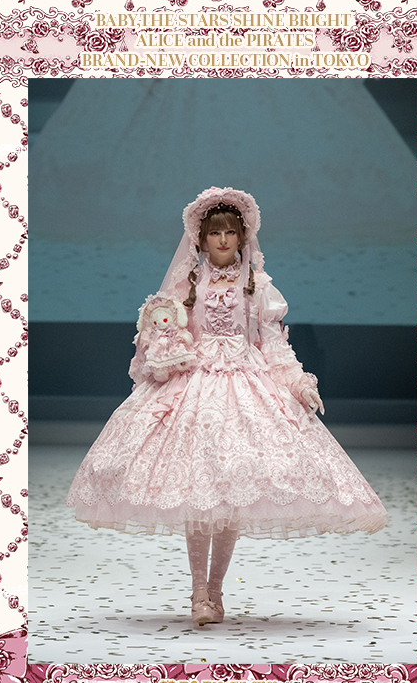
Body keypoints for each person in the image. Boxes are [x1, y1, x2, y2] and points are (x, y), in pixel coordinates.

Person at [66, 187, 388, 626]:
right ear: (201, 239)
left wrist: (297, 383)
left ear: (242, 237)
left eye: (230, 232)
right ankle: (199, 591)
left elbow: (274, 345)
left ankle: (215, 590)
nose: (222, 240)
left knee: (231, 492)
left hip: (245, 384)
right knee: (198, 492)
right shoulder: (186, 285)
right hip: (194, 388)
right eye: (215, 233)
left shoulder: (258, 287)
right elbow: (165, 333)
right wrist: (164, 350)